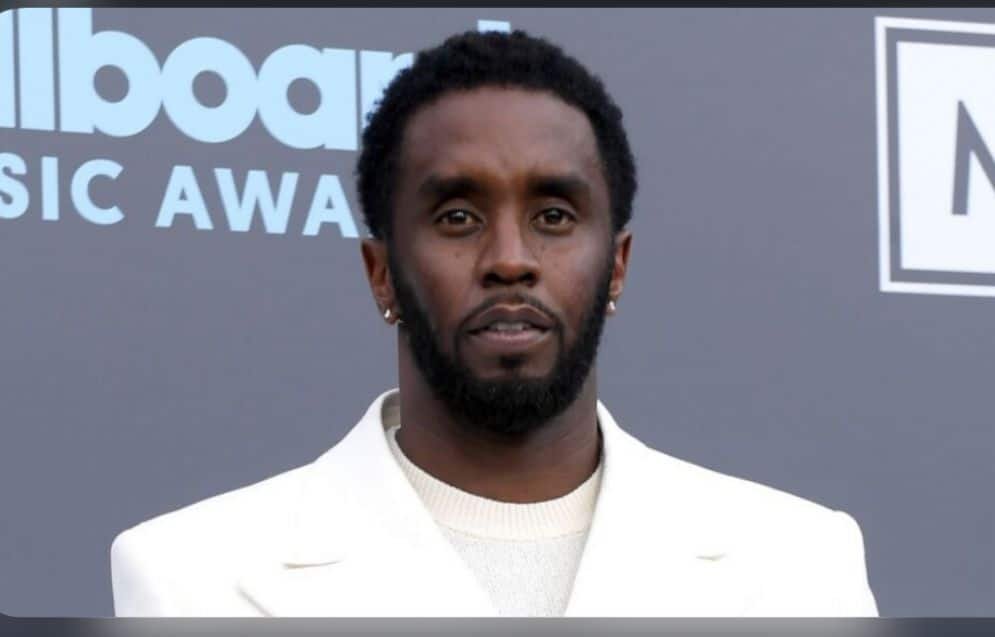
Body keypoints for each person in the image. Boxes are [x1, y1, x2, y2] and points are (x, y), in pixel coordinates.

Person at [110, 30, 878, 617]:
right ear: (381, 272)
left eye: (553, 215)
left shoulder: (800, 565)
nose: (509, 258)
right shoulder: (191, 576)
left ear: (616, 265)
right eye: (457, 216)